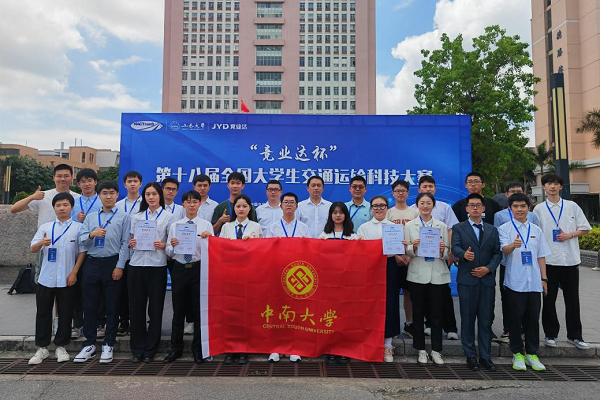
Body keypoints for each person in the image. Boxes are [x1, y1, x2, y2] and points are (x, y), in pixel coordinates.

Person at [533, 174, 592, 350]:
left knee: (572, 300)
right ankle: (550, 334)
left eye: (556, 184)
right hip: (549, 261)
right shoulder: (539, 209)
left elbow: (585, 228)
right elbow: (536, 235)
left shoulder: (572, 206)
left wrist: (569, 235)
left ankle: (575, 336)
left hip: (570, 260)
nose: (552, 187)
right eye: (549, 184)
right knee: (549, 299)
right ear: (544, 187)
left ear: (561, 187)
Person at [74, 181, 131, 364]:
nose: (108, 196)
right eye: (105, 193)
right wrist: (92, 234)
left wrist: (120, 266)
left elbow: (125, 243)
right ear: (99, 196)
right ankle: (89, 344)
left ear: (117, 195)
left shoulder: (124, 217)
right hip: (91, 263)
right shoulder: (91, 217)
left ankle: (108, 343)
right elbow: (82, 240)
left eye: (112, 192)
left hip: (112, 263)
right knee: (89, 305)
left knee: (112, 305)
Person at [28, 193, 86, 365]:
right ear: (54, 208)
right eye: (58, 205)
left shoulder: (78, 227)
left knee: (66, 312)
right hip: (47, 277)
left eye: (65, 205)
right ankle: (42, 347)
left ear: (71, 207)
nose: (62, 208)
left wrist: (74, 272)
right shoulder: (45, 227)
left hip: (67, 278)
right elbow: (32, 248)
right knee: (43, 313)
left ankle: (61, 346)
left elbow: (82, 252)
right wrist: (41, 243)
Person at [500, 193, 551, 371]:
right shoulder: (505, 229)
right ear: (510, 209)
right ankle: (517, 353)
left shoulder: (536, 230)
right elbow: (504, 250)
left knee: (532, 319)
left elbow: (541, 256)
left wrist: (544, 278)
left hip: (534, 282)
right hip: (515, 282)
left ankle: (532, 353)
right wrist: (512, 246)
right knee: (515, 319)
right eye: (515, 206)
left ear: (528, 208)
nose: (519, 209)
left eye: (523, 206)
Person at [451, 193, 502, 371]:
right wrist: (463, 254)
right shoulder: (458, 227)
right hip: (467, 280)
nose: (475, 208)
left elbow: (497, 253)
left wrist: (488, 268)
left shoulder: (492, 229)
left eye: (478, 205)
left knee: (485, 320)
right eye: (471, 205)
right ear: (467, 209)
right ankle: (471, 355)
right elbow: (455, 247)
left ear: (483, 208)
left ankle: (486, 357)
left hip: (486, 280)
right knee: (467, 319)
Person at [164, 190, 214, 364]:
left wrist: (208, 240)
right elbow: (168, 252)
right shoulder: (175, 225)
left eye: (195, 202)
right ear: (183, 204)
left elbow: (212, 251)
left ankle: (198, 350)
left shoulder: (206, 225)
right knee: (178, 311)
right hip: (179, 268)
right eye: (188, 202)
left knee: (198, 311)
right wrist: (173, 245)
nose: (191, 205)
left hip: (198, 268)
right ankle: (175, 349)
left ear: (200, 204)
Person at [128, 182, 174, 363]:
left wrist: (163, 245)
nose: (151, 197)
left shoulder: (168, 217)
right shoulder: (136, 217)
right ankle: (137, 348)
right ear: (144, 197)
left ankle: (150, 349)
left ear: (160, 196)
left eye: (154, 194)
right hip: (137, 265)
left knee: (155, 309)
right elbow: (131, 240)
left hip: (157, 266)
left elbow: (172, 244)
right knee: (136, 308)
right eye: (148, 194)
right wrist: (132, 243)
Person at [11, 164, 80, 284]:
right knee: (42, 279)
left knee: (67, 280)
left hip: (69, 246)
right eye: (59, 176)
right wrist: (32, 197)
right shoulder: (43, 195)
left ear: (71, 177)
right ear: (53, 178)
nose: (62, 179)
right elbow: (14, 209)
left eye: (66, 176)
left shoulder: (78, 198)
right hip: (46, 244)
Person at [404, 193, 450, 366]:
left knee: (437, 314)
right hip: (417, 274)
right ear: (417, 205)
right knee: (418, 313)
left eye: (428, 203)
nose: (425, 206)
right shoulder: (410, 225)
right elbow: (406, 250)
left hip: (437, 274)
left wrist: (442, 250)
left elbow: (447, 251)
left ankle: (436, 350)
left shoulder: (441, 226)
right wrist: (413, 247)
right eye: (422, 203)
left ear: (433, 205)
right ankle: (421, 350)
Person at [412, 175, 459, 340]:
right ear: (419, 189)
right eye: (424, 186)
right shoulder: (413, 208)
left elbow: (451, 229)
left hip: (440, 257)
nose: (428, 189)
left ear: (435, 189)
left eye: (431, 186)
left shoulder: (444, 207)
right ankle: (430, 325)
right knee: (424, 293)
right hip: (420, 259)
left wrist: (450, 252)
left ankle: (451, 327)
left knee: (444, 293)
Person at [264, 192, 308, 363]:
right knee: (277, 309)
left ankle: (294, 347)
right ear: (281, 205)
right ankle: (276, 347)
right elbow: (266, 250)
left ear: (297, 206)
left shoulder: (303, 228)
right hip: (277, 272)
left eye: (292, 202)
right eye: (286, 202)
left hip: (297, 273)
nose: (289, 205)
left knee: (296, 310)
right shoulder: (273, 227)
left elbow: (310, 250)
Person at [219, 194, 263, 364]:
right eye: (238, 206)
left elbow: (262, 251)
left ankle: (244, 348)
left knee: (246, 313)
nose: (241, 209)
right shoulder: (226, 227)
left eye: (245, 206)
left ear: (250, 208)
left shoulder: (256, 227)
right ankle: (230, 348)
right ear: (234, 208)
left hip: (249, 275)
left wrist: (252, 243)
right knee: (230, 313)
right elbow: (220, 249)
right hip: (229, 275)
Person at [493, 181, 539, 343]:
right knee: (508, 298)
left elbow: (536, 239)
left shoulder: (532, 216)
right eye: (512, 191)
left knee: (529, 299)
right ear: (507, 195)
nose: (519, 209)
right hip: (508, 262)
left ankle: (525, 330)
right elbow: (498, 241)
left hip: (529, 264)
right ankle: (509, 329)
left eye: (518, 191)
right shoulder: (499, 216)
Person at [357, 196, 399, 363]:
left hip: (390, 266)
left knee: (390, 303)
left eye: (382, 206)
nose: (379, 209)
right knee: (370, 304)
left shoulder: (395, 227)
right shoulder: (364, 228)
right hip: (370, 268)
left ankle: (388, 344)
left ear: (387, 208)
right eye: (375, 206)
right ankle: (369, 341)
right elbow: (361, 250)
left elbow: (397, 250)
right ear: (371, 209)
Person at [70, 168, 103, 340]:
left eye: (90, 180)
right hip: (77, 251)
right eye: (83, 181)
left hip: (97, 251)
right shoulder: (73, 203)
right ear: (78, 184)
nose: (87, 184)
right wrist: (76, 218)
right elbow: (66, 223)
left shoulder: (103, 200)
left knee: (97, 290)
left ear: (95, 182)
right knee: (76, 289)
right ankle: (77, 324)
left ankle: (98, 323)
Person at [387, 179, 418, 338]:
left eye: (403, 191)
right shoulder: (388, 213)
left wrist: (409, 255)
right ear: (393, 193)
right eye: (397, 191)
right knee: (391, 294)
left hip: (410, 258)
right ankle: (391, 326)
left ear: (408, 193)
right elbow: (385, 237)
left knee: (409, 293)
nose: (400, 193)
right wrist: (397, 256)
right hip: (393, 259)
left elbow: (418, 235)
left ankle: (409, 323)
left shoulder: (414, 213)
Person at [114, 170, 143, 335]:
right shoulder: (118, 205)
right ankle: (124, 320)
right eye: (129, 181)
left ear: (140, 184)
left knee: (137, 291)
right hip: (122, 253)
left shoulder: (146, 204)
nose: (132, 184)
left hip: (139, 253)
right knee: (122, 290)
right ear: (124, 184)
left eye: (135, 181)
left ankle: (136, 321)